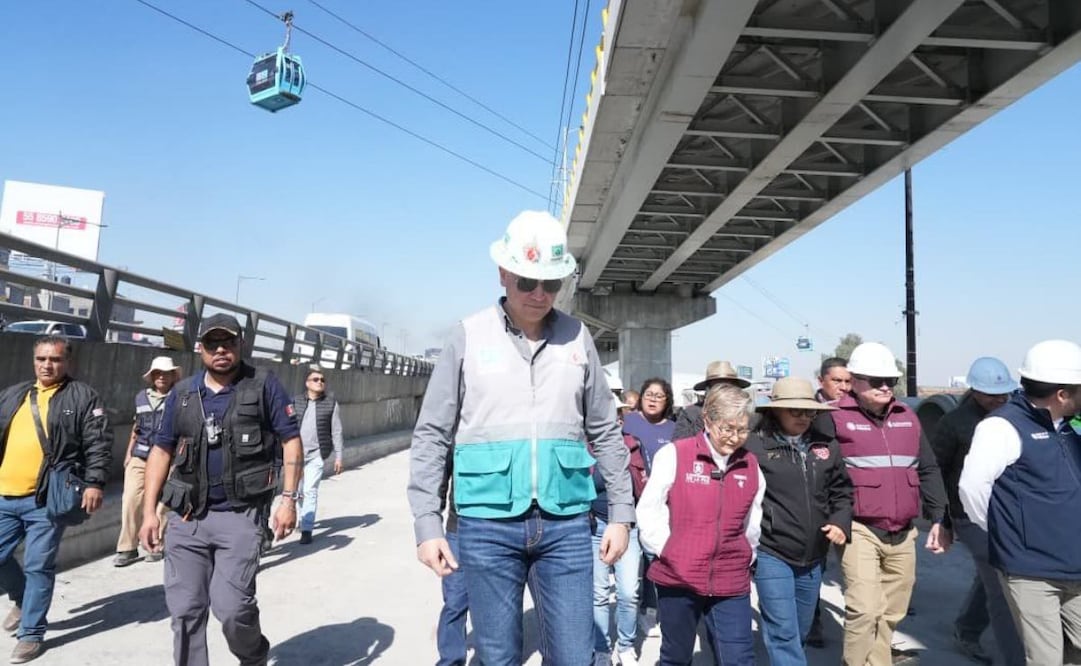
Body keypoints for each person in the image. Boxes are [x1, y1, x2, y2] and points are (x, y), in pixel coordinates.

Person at [407, 210, 633, 666]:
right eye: (528, 281)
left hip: (566, 523)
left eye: (551, 283)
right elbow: (432, 434)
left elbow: (606, 430)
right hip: (486, 525)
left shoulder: (578, 337)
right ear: (503, 273)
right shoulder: (468, 336)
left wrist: (621, 514)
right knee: (498, 657)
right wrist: (427, 524)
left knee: (575, 656)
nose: (540, 294)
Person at [139, 313, 302, 666]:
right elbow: (161, 450)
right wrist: (149, 512)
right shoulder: (183, 393)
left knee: (232, 608)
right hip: (187, 516)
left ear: (241, 344)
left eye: (228, 342)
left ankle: (253, 655)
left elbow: (291, 441)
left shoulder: (263, 386)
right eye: (213, 343)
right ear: (201, 348)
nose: (221, 350)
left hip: (241, 515)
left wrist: (289, 500)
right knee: (185, 610)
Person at [821, 342, 951, 666]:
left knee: (892, 611)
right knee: (865, 609)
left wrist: (940, 517)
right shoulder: (832, 418)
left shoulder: (908, 417)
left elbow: (928, 469)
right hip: (858, 529)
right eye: (876, 380)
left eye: (890, 381)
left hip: (903, 532)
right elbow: (821, 475)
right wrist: (833, 519)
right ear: (854, 380)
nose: (885, 387)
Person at [959, 340, 1081, 666]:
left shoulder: (1067, 428)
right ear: (1062, 394)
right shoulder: (1002, 428)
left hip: (1074, 563)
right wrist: (1009, 535)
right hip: (1032, 572)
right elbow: (972, 488)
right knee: (1046, 658)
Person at [0, 335, 112, 663]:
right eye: (42, 359)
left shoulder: (83, 396)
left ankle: (31, 634)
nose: (47, 365)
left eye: (55, 359)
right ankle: (22, 598)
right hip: (5, 495)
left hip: (46, 499)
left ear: (68, 362)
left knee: (38, 565)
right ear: (34, 360)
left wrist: (94, 482)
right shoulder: (14, 394)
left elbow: (98, 442)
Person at [637, 384, 765, 666]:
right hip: (678, 576)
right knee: (676, 656)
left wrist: (745, 556)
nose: (735, 437)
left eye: (742, 430)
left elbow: (752, 524)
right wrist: (668, 550)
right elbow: (649, 510)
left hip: (731, 577)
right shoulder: (675, 454)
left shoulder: (751, 465)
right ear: (707, 420)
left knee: (739, 658)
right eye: (727, 428)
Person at [745, 377, 852, 666]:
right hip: (771, 552)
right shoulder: (753, 447)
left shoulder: (827, 446)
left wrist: (840, 522)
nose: (803, 417)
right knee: (783, 632)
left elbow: (842, 491)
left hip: (815, 556)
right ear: (776, 411)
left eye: (809, 411)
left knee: (799, 631)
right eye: (795, 410)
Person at [932, 357, 1023, 665]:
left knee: (993, 574)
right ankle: (1016, 656)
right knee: (1000, 582)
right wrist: (943, 520)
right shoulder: (954, 423)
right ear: (974, 390)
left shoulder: (1014, 417)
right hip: (968, 514)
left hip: (1007, 511)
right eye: (990, 394)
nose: (998, 399)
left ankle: (967, 628)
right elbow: (936, 472)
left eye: (1003, 393)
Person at [623, 379, 677, 640]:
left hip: (662, 504)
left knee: (656, 557)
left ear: (667, 401)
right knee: (634, 562)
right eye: (648, 394)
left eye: (659, 395)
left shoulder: (674, 429)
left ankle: (651, 609)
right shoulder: (629, 422)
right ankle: (634, 609)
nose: (653, 399)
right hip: (631, 500)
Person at [115, 356, 181, 567]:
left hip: (167, 457)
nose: (161, 377)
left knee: (163, 503)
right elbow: (136, 428)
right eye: (157, 373)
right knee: (131, 499)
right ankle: (127, 547)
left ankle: (155, 544)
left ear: (173, 376)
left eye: (166, 373)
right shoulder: (141, 397)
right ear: (152, 376)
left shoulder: (179, 398)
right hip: (140, 455)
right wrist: (129, 454)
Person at [806, 355, 853, 647]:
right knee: (815, 568)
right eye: (837, 380)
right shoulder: (807, 411)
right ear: (821, 380)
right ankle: (812, 620)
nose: (844, 387)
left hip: (849, 500)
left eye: (849, 381)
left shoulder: (858, 410)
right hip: (818, 502)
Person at [292, 366, 344, 545]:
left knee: (310, 490)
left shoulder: (331, 404)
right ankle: (302, 518)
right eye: (316, 379)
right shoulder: (296, 401)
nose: (320, 382)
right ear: (307, 383)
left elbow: (336, 431)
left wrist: (339, 456)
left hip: (316, 455)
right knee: (298, 491)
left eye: (322, 380)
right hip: (296, 454)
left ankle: (307, 529)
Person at [672, 361, 751, 440]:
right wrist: (705, 416)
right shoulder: (692, 412)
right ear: (708, 389)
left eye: (727, 386)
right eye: (718, 386)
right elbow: (679, 442)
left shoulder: (745, 413)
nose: (723, 391)